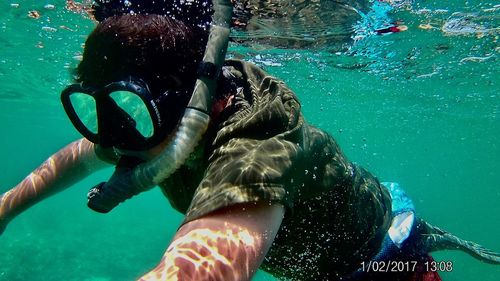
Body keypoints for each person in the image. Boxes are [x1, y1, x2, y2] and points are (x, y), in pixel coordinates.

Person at [1, 2, 499, 281]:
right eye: (96, 108)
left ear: (195, 102)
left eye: (129, 111)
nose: (112, 136)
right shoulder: (153, 123)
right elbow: (86, 153)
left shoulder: (255, 148)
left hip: (384, 260)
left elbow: (204, 269)